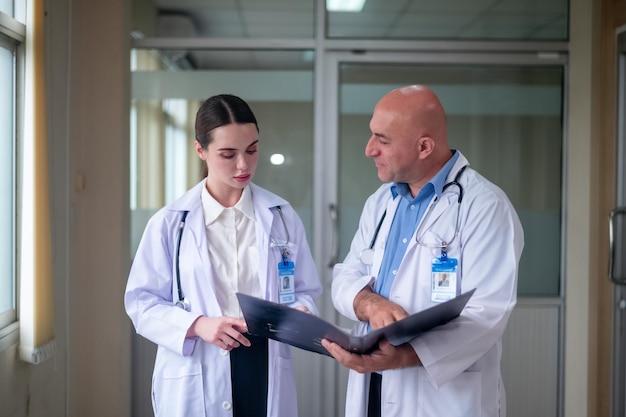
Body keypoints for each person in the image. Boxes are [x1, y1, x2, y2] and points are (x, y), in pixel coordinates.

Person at [321, 85, 524, 417]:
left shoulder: (485, 206)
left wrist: (402, 357)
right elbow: (348, 273)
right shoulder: (382, 202)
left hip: (442, 398)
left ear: (424, 146)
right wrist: (368, 302)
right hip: (375, 386)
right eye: (372, 135)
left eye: (382, 140)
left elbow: (487, 313)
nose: (369, 149)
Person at [125, 94, 322, 417]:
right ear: (200, 150)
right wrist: (197, 324)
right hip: (200, 358)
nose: (243, 165)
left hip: (264, 360)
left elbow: (305, 289)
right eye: (228, 154)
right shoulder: (170, 223)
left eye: (252, 150)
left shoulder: (282, 217)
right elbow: (141, 303)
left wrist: (301, 310)